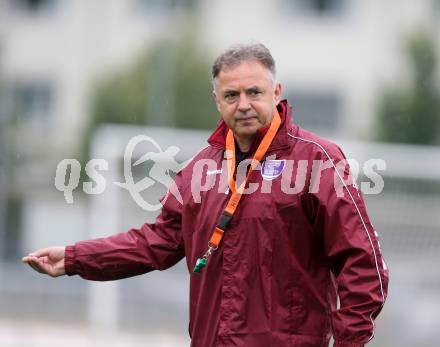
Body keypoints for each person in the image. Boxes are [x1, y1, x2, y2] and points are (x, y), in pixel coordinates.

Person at [22, 43, 389, 347]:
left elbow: (364, 266)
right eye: (231, 95)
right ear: (217, 101)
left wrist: (348, 342)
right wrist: (74, 258)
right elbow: (154, 242)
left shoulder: (317, 160)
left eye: (254, 92)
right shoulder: (200, 168)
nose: (243, 103)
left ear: (276, 93)